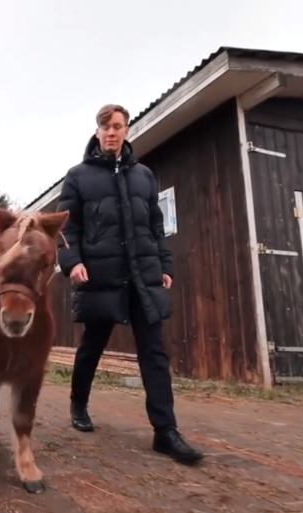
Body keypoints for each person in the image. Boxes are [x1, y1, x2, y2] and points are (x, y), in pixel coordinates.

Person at [55, 104, 204, 465]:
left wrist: (164, 264)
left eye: (117, 126)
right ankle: (78, 402)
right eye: (105, 126)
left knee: (153, 351)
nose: (111, 132)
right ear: (97, 132)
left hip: (142, 275)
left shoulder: (145, 177)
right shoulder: (77, 176)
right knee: (93, 344)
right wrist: (72, 262)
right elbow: (66, 228)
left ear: (126, 130)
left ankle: (165, 431)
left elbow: (156, 227)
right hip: (102, 275)